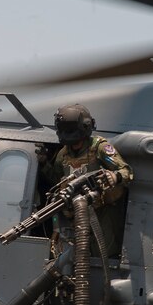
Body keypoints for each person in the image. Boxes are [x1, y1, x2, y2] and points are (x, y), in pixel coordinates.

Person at [41, 103, 133, 256]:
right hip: (75, 214)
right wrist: (44, 163)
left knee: (103, 254)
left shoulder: (99, 148)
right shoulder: (63, 155)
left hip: (102, 212)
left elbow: (127, 172)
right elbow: (56, 181)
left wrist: (113, 176)